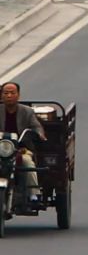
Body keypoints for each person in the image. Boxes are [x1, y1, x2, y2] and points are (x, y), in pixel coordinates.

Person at [1, 80, 45, 210]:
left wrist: (39, 133)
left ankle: (34, 195)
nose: (9, 96)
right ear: (2, 95)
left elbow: (36, 126)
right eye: (6, 93)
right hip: (1, 149)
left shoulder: (27, 112)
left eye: (12, 93)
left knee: (28, 164)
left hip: (21, 149)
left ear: (18, 95)